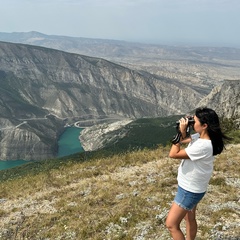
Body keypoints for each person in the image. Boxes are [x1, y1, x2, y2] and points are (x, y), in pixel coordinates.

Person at [166, 107, 230, 240]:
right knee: (190, 218)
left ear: (205, 125)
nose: (192, 124)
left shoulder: (203, 145)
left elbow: (173, 153)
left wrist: (179, 133)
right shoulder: (203, 138)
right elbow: (185, 140)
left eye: (194, 122)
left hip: (188, 190)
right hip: (194, 187)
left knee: (171, 224)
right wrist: (183, 131)